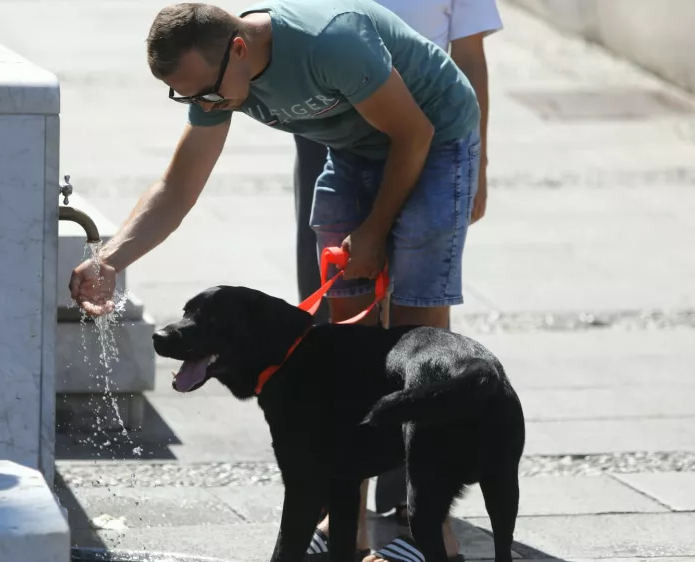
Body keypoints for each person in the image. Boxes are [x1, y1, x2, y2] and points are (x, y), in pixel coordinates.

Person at [69, 0, 482, 559]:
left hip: (433, 136)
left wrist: (377, 228)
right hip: (358, 147)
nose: (202, 107)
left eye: (206, 95)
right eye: (185, 97)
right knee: (348, 351)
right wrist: (110, 259)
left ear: (239, 47)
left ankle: (432, 536)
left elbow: (413, 133)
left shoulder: (331, 43)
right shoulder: (218, 78)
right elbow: (179, 185)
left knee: (417, 342)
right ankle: (347, 530)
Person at [292, 1, 502, 561]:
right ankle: (344, 511)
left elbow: (471, 59)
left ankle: (421, 513)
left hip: (436, 137)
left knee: (422, 335)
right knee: (344, 332)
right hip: (339, 131)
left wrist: (477, 163)